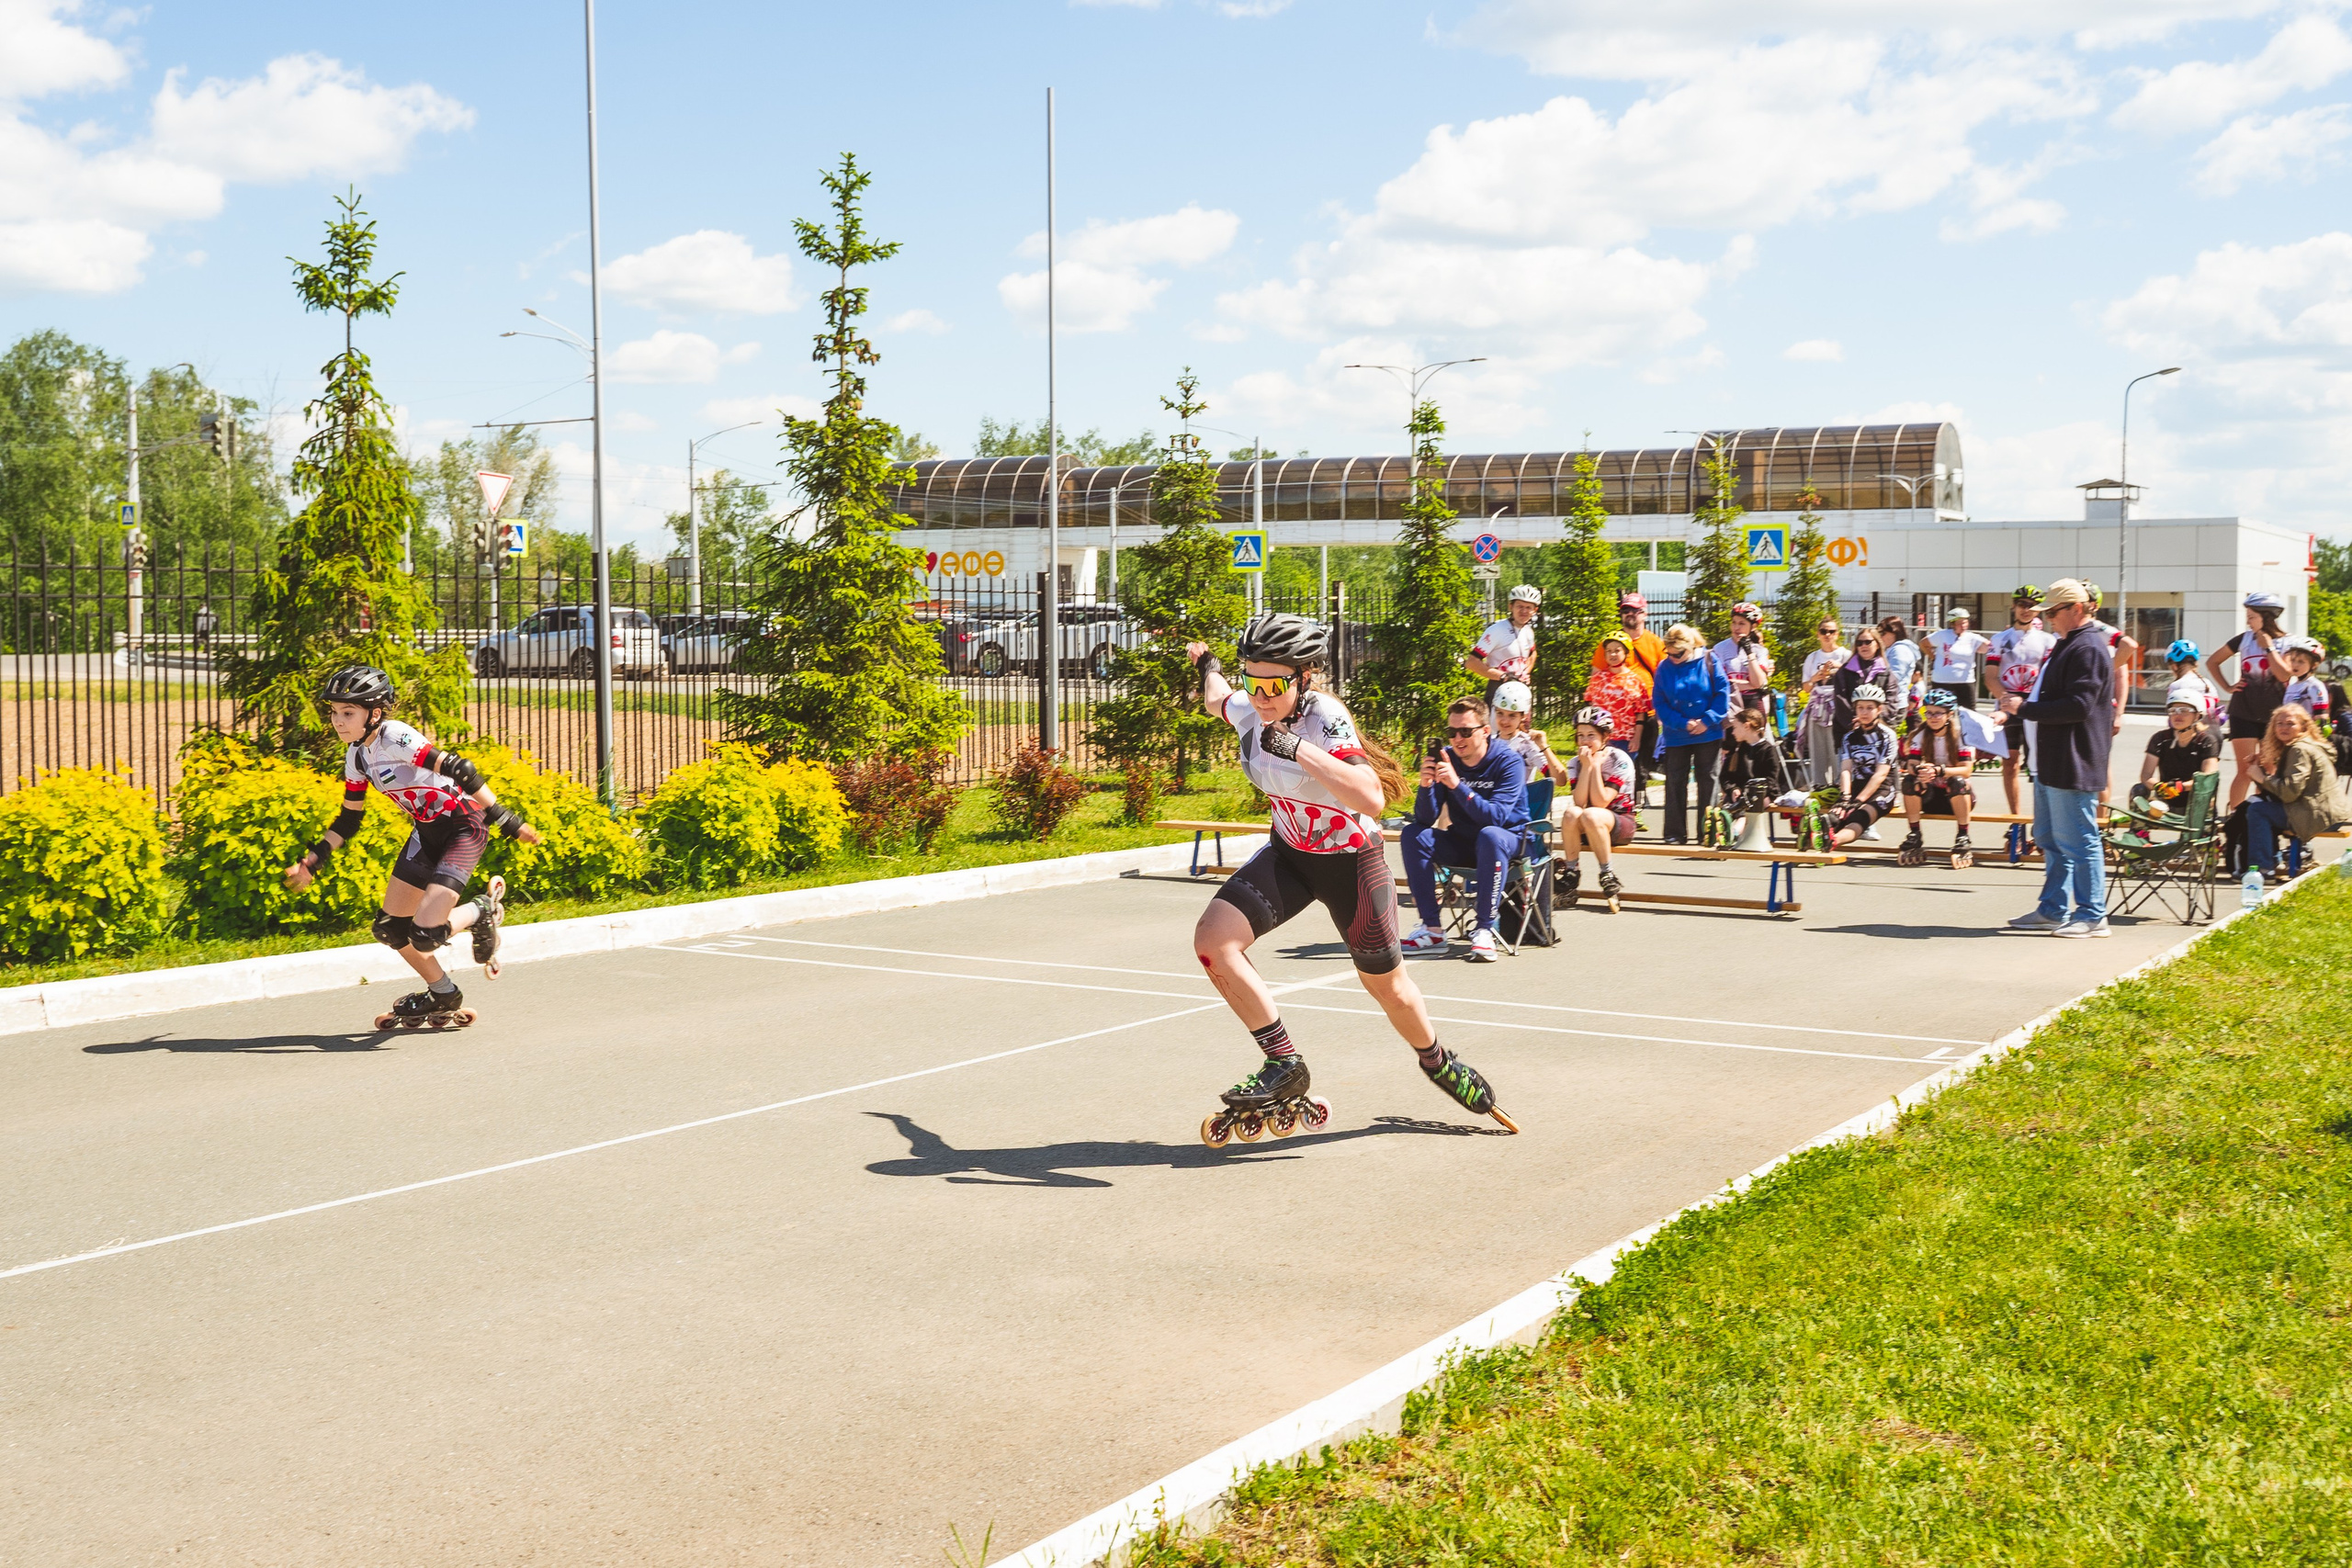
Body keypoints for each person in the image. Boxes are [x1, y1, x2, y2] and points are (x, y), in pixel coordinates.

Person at [1183, 615, 1515, 1136]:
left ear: (1305, 676)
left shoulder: (1324, 717)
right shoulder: (1250, 707)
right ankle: (1284, 1064)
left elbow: (1371, 797)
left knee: (1388, 989)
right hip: (1291, 855)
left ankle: (1436, 1060)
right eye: (1253, 680)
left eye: (1274, 684)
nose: (1261, 696)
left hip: (1352, 863)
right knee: (1213, 941)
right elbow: (1215, 697)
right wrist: (1210, 665)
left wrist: (1299, 750)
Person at [283, 665, 539, 1025]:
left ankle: (480, 911)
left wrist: (505, 819)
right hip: (427, 832)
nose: (337, 721)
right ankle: (443, 993)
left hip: (463, 826)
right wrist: (312, 862)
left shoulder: (394, 736)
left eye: (348, 713)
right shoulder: (357, 756)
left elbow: (459, 768)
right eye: (334, 712)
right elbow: (348, 820)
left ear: (374, 713)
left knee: (425, 935)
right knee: (390, 928)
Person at [1997, 580, 2116, 938]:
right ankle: (2053, 910)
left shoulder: (2089, 648)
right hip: (2052, 759)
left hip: (2073, 760)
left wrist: (2025, 708)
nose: (2047, 618)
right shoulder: (2070, 644)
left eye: (2053, 611)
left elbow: (2079, 706)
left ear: (2077, 609)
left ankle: (2093, 915)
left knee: (2079, 838)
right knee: (2050, 837)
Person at [1400, 697, 1530, 964]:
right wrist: (1426, 786)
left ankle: (1484, 929)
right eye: (1452, 732)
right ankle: (1432, 930)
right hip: (1464, 842)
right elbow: (1426, 819)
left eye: (1466, 732)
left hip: (1507, 841)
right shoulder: (1447, 758)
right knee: (1413, 834)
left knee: (1490, 835)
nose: (1458, 739)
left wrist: (1458, 785)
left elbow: (1495, 817)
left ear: (1485, 731)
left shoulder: (1509, 762)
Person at [2241, 704, 2352, 881]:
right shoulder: (2304, 745)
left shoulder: (2299, 749)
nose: (2284, 727)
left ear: (2303, 726)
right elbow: (2281, 790)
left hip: (2319, 815)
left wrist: (2262, 778)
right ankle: (2271, 861)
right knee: (2262, 807)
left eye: (2290, 723)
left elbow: (2289, 792)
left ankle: (2263, 869)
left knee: (2257, 810)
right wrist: (2258, 770)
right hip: (2326, 812)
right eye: (2279, 723)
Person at [2208, 590, 2288, 811]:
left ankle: (2261, 815)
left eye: (2252, 616)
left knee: (2268, 769)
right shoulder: (2242, 640)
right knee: (2245, 770)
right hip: (2243, 712)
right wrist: (2228, 687)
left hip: (2273, 717)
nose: (2248, 621)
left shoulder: (2287, 643)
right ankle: (2236, 821)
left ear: (2267, 617)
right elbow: (2213, 662)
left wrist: (2268, 647)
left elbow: (2284, 675)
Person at [1650, 623, 1729, 845]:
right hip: (1677, 733)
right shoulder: (1664, 668)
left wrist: (1708, 720)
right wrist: (1682, 722)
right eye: (1670, 653)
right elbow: (1660, 702)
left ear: (1691, 647)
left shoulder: (1710, 661)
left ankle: (1709, 831)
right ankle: (1675, 832)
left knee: (1708, 781)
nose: (1674, 657)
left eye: (1679, 653)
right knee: (1675, 781)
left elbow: (1722, 693)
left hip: (1708, 732)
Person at [1555, 705, 1634, 909]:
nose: (1584, 741)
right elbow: (1580, 802)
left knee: (1591, 814)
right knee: (1572, 812)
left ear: (1605, 736)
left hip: (1620, 820)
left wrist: (1596, 765)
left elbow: (1601, 802)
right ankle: (1572, 872)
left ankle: (1607, 873)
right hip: (1588, 821)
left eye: (1591, 735)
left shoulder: (1619, 760)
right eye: (1580, 735)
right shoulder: (1576, 762)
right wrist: (1587, 766)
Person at [1985, 589, 2056, 815]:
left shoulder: (2048, 640)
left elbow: (2049, 677)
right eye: (2022, 604)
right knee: (2010, 765)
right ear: (2014, 607)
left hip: (2036, 705)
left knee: (2040, 767)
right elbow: (1990, 676)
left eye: (2033, 605)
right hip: (2007, 703)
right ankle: (2015, 821)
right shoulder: (1999, 640)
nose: (2027, 610)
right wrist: (2006, 700)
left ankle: (2040, 820)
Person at [1895, 688, 1976, 868]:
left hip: (1957, 798)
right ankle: (1915, 834)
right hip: (1932, 796)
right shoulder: (1921, 734)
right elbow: (1911, 764)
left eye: (1938, 713)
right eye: (1929, 712)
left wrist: (1940, 771)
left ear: (1949, 714)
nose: (1932, 717)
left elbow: (1967, 770)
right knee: (1909, 782)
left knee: (1958, 782)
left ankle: (1963, 836)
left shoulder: (1961, 735)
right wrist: (1920, 771)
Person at [1595, 592, 1668, 780]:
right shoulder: (1610, 643)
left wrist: (1662, 710)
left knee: (1641, 765)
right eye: (1625, 610)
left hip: (1648, 712)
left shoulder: (1655, 642)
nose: (1630, 614)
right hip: (1617, 717)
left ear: (1644, 614)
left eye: (1635, 611)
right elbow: (1596, 675)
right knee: (1613, 764)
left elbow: (1665, 677)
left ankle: (1638, 800)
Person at [2128, 682, 2222, 820]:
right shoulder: (2160, 738)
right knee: (2138, 790)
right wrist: (2160, 786)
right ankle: (2140, 834)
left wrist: (2180, 787)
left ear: (2197, 716)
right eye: (2173, 711)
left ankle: (2200, 837)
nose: (2177, 715)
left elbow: (2207, 779)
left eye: (2184, 710)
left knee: (2207, 793)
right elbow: (2146, 776)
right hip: (2164, 803)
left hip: (2194, 802)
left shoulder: (2207, 741)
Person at [1832, 627, 1894, 836]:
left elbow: (1893, 700)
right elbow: (1840, 700)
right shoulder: (1845, 671)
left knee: (1878, 774)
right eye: (1860, 642)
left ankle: (1865, 819)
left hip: (1880, 732)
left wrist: (1880, 722)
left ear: (1877, 644)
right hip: (1850, 729)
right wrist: (1854, 723)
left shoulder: (1886, 671)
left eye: (1868, 642)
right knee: (1849, 771)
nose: (1864, 646)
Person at [1824, 683, 1899, 848]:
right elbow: (1845, 770)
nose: (1864, 712)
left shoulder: (1888, 736)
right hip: (1857, 786)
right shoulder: (1849, 737)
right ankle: (1819, 837)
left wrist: (1858, 801)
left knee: (1861, 816)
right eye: (1860, 708)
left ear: (1879, 709)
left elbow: (1880, 774)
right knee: (1836, 817)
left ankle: (1832, 841)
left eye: (1869, 708)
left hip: (1883, 788)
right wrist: (1845, 798)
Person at [1582, 634, 1652, 779]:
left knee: (1621, 776)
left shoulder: (1635, 681)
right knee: (1599, 775)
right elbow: (1589, 706)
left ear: (1626, 653)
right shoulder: (1597, 679)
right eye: (1609, 651)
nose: (1612, 654)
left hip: (1625, 738)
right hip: (1600, 738)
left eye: (1617, 650)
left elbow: (1641, 713)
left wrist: (1637, 738)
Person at [1718, 705, 1789, 843]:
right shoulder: (1737, 749)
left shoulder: (1768, 750)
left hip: (1763, 794)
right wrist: (1733, 789)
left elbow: (1771, 780)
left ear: (1746, 726)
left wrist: (1750, 791)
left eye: (1736, 727)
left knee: (1748, 804)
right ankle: (1721, 830)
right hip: (1738, 795)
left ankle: (1733, 834)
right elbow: (1725, 777)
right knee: (1730, 807)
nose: (1733, 732)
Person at [1796, 618, 1849, 792]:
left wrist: (1839, 668)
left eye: (1831, 632)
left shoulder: (1845, 655)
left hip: (1837, 708)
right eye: (1823, 631)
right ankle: (1819, 786)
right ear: (1818, 634)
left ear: (1837, 634)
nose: (1827, 635)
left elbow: (1854, 680)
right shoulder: (1812, 658)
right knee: (1818, 751)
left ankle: (1839, 784)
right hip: (1817, 707)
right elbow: (1805, 687)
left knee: (1837, 748)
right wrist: (1815, 678)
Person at [1465, 585, 1541, 702]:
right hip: (1498, 690)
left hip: (1521, 691)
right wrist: (1503, 676)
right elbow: (1471, 662)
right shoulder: (1497, 630)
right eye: (1519, 606)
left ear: (1534, 610)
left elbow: (1533, 653)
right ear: (1510, 606)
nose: (1524, 611)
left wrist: (1526, 672)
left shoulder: (1528, 631)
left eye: (1528, 607)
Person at [1489, 680, 1566, 788]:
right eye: (1500, 713)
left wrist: (1544, 747)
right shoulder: (1489, 742)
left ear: (1523, 716)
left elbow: (1560, 780)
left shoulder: (1527, 745)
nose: (1504, 721)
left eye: (1512, 716)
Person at [1711, 603, 1776, 721]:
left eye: (1741, 623)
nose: (1736, 627)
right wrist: (1750, 685)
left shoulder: (1760, 650)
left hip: (1753, 706)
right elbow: (1721, 683)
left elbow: (1758, 682)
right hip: (1729, 705)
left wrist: (1749, 653)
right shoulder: (1719, 648)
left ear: (1753, 626)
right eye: (1734, 622)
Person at [1926, 604, 1989, 707]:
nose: (1963, 626)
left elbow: (1989, 647)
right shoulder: (1942, 635)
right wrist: (1933, 657)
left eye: (1965, 622)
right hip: (1942, 681)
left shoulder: (1972, 637)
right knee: (1941, 710)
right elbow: (1923, 644)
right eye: (1960, 623)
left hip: (1965, 681)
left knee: (1969, 713)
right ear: (1952, 624)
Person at [2276, 637, 2332, 728]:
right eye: (2293, 660)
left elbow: (2322, 718)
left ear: (2314, 665)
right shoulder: (2291, 686)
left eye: (2301, 662)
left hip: (2307, 736)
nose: (2295, 665)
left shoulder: (2315, 686)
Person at [1878, 615, 1922, 728]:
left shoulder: (1899, 650)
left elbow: (1894, 678)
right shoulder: (1893, 649)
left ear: (1894, 632)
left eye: (1883, 634)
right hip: (1891, 701)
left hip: (1894, 703)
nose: (1880, 638)